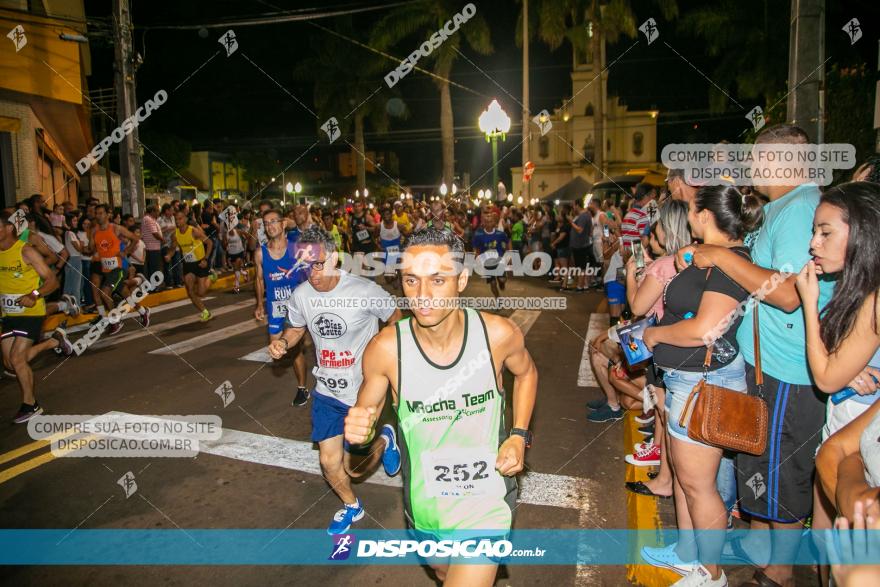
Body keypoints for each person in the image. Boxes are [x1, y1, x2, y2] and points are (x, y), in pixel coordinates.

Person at [677, 125, 835, 587]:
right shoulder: (783, 208)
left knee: (783, 472)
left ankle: (779, 572)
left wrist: (718, 257)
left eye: (759, 158)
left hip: (788, 369)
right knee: (762, 463)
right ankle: (764, 546)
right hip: (771, 366)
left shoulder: (801, 207)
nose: (752, 168)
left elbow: (788, 293)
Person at [344, 227, 538, 586]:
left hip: (487, 500)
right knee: (443, 571)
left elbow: (526, 373)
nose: (423, 295)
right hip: (426, 503)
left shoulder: (498, 335)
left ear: (462, 280)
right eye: (411, 281)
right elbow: (356, 448)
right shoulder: (386, 350)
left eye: (437, 280)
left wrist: (518, 435)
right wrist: (359, 434)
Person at [639, 185, 762, 586]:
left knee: (699, 486)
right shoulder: (709, 255)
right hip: (687, 381)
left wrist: (655, 338)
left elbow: (705, 329)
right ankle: (687, 555)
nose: (688, 216)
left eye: (692, 210)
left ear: (706, 215)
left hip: (702, 381)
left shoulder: (728, 264)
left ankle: (711, 574)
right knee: (687, 479)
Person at [268, 227, 402, 534]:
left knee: (355, 468)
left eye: (318, 264)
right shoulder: (301, 295)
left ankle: (385, 436)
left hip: (363, 391)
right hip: (327, 391)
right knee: (329, 463)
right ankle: (352, 506)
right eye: (304, 265)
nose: (311, 272)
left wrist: (384, 351)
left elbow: (395, 316)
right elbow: (296, 328)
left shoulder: (363, 290)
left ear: (334, 259)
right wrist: (284, 343)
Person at [794, 182, 880, 585]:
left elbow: (826, 377)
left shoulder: (875, 297)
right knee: (831, 548)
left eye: (825, 232)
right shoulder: (858, 288)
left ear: (861, 230)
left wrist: (809, 304)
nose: (814, 243)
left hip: (863, 438)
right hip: (846, 425)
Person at [0, 210, 72, 422]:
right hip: (9, 314)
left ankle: (30, 405)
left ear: (8, 228)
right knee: (9, 363)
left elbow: (52, 281)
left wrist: (34, 294)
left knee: (17, 358)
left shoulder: (26, 251)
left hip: (31, 312)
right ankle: (52, 342)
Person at [254, 208, 310, 406]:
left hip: (296, 308)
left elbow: (309, 276)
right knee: (277, 350)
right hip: (275, 308)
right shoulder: (260, 253)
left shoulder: (296, 249)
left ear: (283, 224)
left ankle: (302, 388)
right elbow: (259, 280)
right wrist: (260, 303)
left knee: (294, 349)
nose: (270, 226)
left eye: (274, 221)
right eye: (266, 223)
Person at [90, 204, 151, 335]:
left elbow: (135, 239)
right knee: (125, 294)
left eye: (101, 213)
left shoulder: (116, 229)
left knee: (105, 293)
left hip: (118, 268)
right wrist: (91, 249)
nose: (98, 216)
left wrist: (126, 251)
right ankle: (142, 311)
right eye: (97, 213)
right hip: (106, 269)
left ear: (107, 215)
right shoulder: (95, 231)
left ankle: (115, 321)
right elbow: (92, 248)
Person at [165, 210, 213, 322]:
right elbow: (173, 248)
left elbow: (210, 243)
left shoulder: (194, 231)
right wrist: (169, 255)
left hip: (200, 262)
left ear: (186, 219)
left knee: (201, 293)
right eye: (176, 219)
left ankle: (210, 277)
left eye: (180, 219)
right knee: (190, 291)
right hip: (188, 264)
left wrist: (206, 259)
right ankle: (205, 311)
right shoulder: (175, 234)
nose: (178, 221)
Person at [472, 210, 510, 299]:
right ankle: (498, 299)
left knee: (502, 279)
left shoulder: (499, 234)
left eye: (490, 221)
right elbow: (474, 246)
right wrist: (477, 255)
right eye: (486, 222)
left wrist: (510, 253)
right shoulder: (479, 234)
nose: (488, 223)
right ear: (483, 223)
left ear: (494, 223)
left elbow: (508, 242)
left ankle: (501, 282)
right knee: (492, 284)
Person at [569, 199, 594, 292]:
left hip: (580, 245)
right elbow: (591, 230)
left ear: (577, 205)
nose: (573, 207)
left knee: (581, 267)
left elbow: (580, 230)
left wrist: (571, 222)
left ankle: (580, 286)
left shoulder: (583, 216)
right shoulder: (584, 215)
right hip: (581, 244)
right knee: (581, 266)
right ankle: (584, 284)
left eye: (574, 205)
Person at [378, 207, 403, 286]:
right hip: (385, 251)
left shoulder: (398, 225)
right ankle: (392, 277)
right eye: (384, 214)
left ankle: (397, 277)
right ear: (382, 215)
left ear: (391, 215)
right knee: (388, 279)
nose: (386, 216)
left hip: (395, 250)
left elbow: (407, 234)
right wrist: (378, 245)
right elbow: (374, 236)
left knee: (396, 267)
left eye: (388, 214)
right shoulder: (379, 226)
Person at [141, 205, 164, 283]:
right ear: (152, 212)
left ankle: (154, 285)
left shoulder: (150, 219)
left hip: (152, 247)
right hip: (152, 248)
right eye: (157, 211)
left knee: (153, 268)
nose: (158, 213)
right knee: (154, 268)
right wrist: (162, 239)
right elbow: (154, 233)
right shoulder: (148, 219)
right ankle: (154, 286)